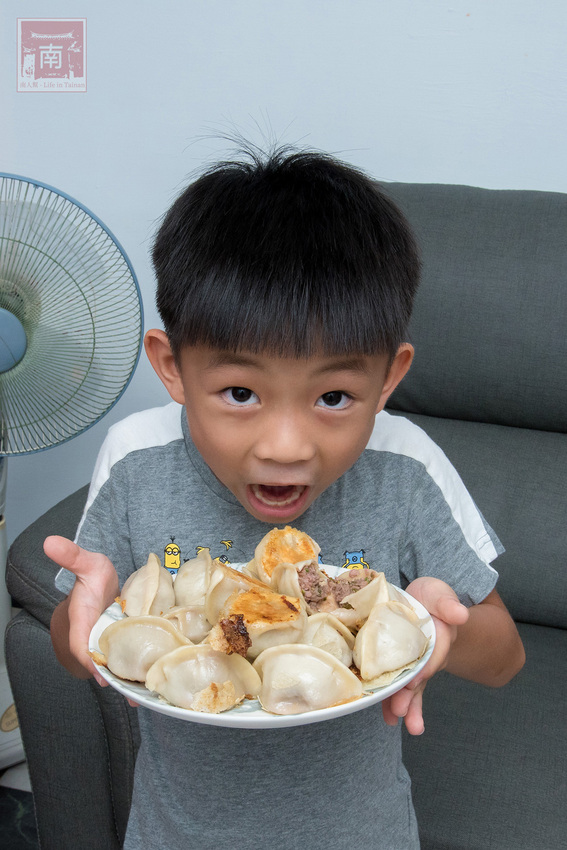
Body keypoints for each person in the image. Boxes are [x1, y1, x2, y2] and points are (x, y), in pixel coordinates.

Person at [46, 145, 525, 850]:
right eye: (240, 393)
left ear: (388, 378)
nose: (285, 446)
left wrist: (436, 628)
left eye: (333, 397)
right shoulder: (137, 462)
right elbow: (72, 647)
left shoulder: (405, 465)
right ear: (171, 366)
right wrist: (79, 624)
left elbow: (504, 658)